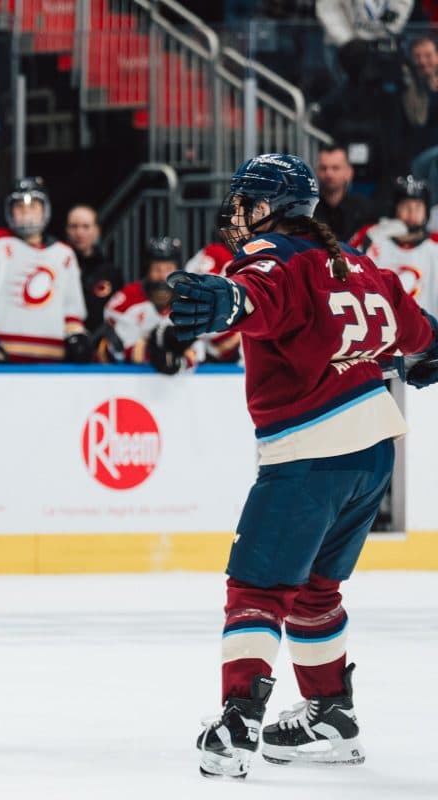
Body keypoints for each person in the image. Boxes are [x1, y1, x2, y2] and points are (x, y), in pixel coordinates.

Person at [169, 153, 438, 780]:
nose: (237, 215)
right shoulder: (361, 262)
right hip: (373, 452)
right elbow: (417, 329)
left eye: (245, 202)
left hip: (309, 450)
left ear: (269, 208)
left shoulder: (272, 256)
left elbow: (258, 291)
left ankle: (238, 724)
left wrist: (227, 302)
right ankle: (330, 713)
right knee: (317, 591)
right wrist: (426, 352)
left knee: (258, 588)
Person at [0, 177, 92, 363]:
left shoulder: (64, 254)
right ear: (10, 211)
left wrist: (76, 338)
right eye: (19, 207)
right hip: (2, 360)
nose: (26, 213)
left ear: (44, 210)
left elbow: (72, 309)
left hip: (54, 363)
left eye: (33, 207)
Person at [102, 236, 203, 373]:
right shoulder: (125, 301)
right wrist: (154, 353)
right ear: (147, 270)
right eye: (156, 269)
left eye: (168, 268)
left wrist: (182, 362)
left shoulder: (191, 302)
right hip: (126, 382)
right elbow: (120, 351)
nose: (162, 276)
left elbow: (200, 349)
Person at [351, 174, 438, 314]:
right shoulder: (372, 238)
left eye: (418, 206)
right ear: (395, 208)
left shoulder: (435, 246)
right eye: (406, 206)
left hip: (429, 331)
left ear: (426, 211)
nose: (412, 212)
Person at [64, 203, 123, 337]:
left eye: (86, 226)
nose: (79, 233)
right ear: (66, 230)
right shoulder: (57, 265)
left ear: (97, 230)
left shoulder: (110, 272)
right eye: (74, 226)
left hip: (98, 345)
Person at [312, 144, 379, 240]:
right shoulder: (306, 211)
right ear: (317, 172)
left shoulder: (365, 210)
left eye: (335, 168)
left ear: (349, 173)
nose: (329, 174)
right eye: (323, 168)